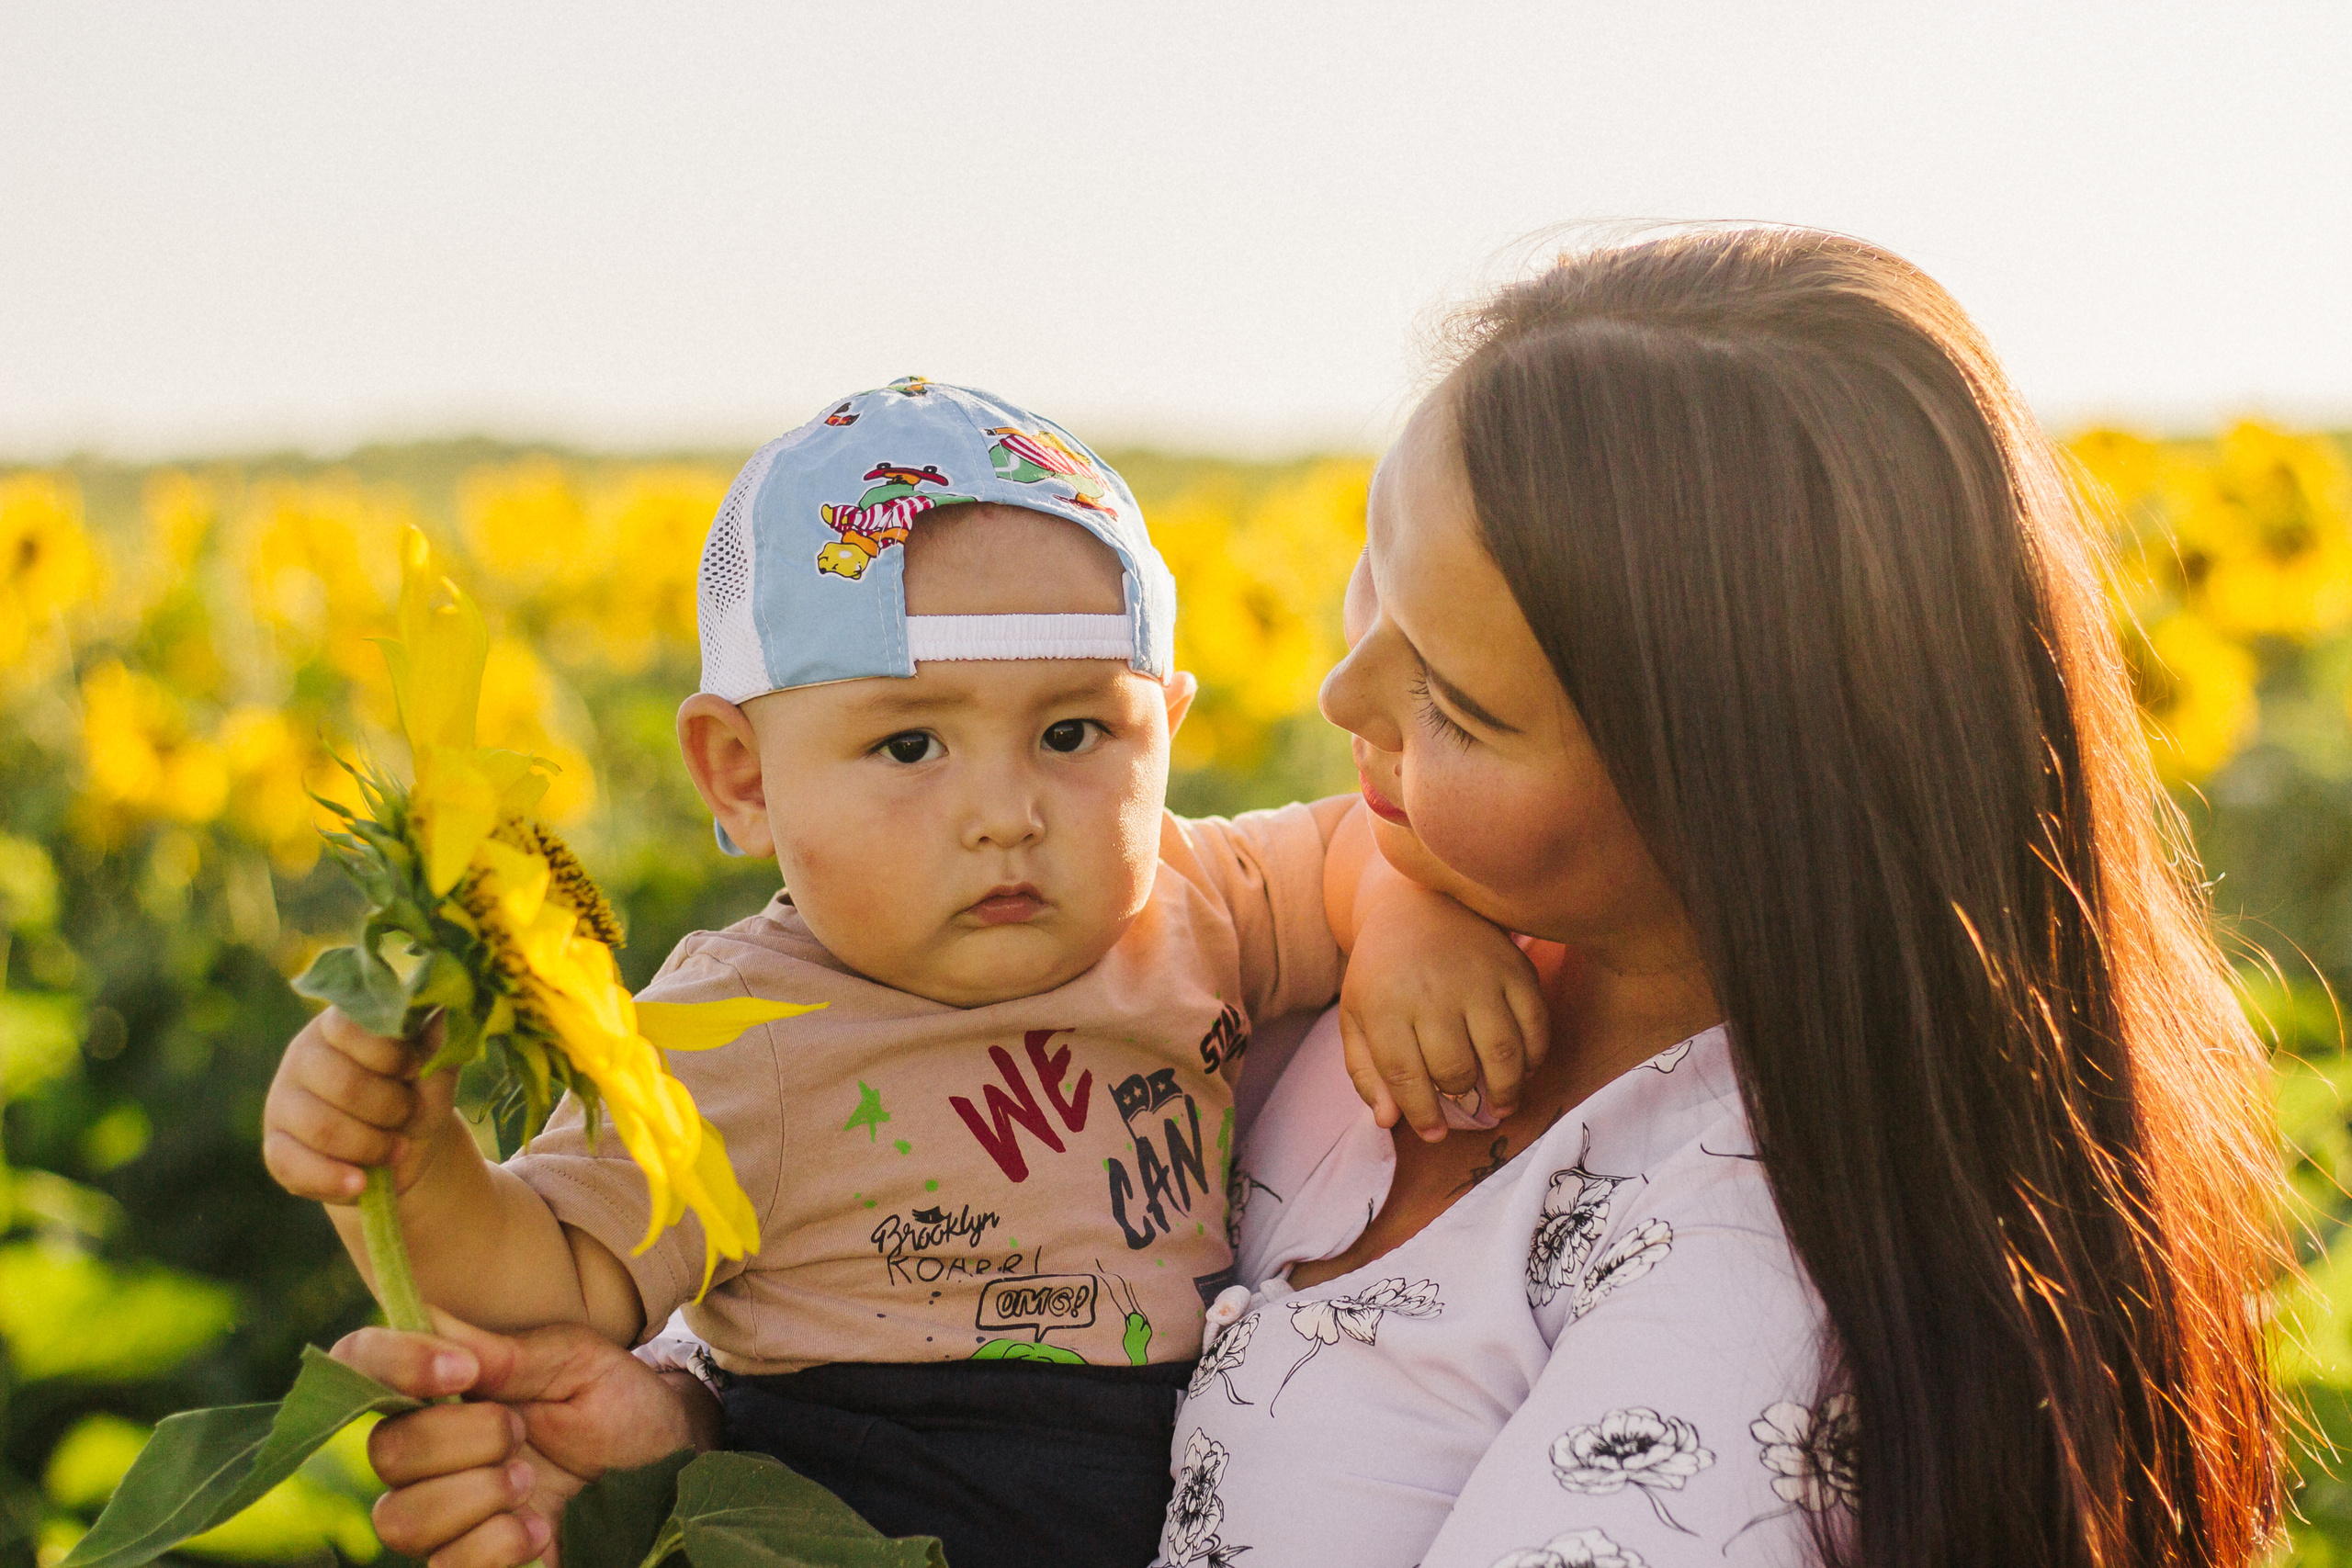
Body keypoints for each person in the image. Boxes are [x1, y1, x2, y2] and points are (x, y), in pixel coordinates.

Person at [338, 229, 2286, 1568]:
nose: (1336, 700)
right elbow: (934, 1228)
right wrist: (670, 1432)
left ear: (1730, 783)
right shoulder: (1321, 950)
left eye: (1448, 697)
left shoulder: (1745, 1272)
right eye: (1368, 597)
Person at [263, 379, 1543, 1568]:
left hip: (1170, 1480)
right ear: (740, 776)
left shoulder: (1187, 902)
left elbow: (1342, 846)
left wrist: (1402, 919)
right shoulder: (733, 1030)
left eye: (1073, 732)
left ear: (1168, 730)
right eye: (911, 743)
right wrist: (412, 1163)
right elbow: (555, 1282)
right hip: (862, 1499)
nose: (1005, 813)